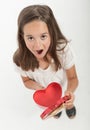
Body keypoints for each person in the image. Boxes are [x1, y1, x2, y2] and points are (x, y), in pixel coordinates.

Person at [13, 4, 78, 119]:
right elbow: (26, 80)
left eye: (43, 36)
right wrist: (40, 89)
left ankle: (69, 107)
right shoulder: (20, 60)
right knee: (52, 104)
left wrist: (69, 91)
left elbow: (72, 78)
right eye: (30, 38)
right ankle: (54, 108)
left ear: (52, 34)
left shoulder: (62, 50)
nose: (37, 46)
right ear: (22, 37)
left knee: (67, 100)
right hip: (44, 94)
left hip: (62, 89)